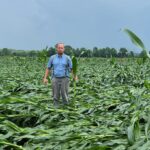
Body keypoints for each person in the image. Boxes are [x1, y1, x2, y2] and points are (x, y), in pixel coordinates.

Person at [43, 43, 78, 107]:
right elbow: (48, 68)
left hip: (65, 78)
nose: (60, 49)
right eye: (59, 48)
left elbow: (72, 68)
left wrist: (75, 76)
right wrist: (45, 78)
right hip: (55, 78)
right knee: (55, 94)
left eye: (62, 48)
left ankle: (66, 107)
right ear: (56, 49)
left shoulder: (67, 58)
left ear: (64, 49)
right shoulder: (52, 58)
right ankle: (56, 107)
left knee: (64, 94)